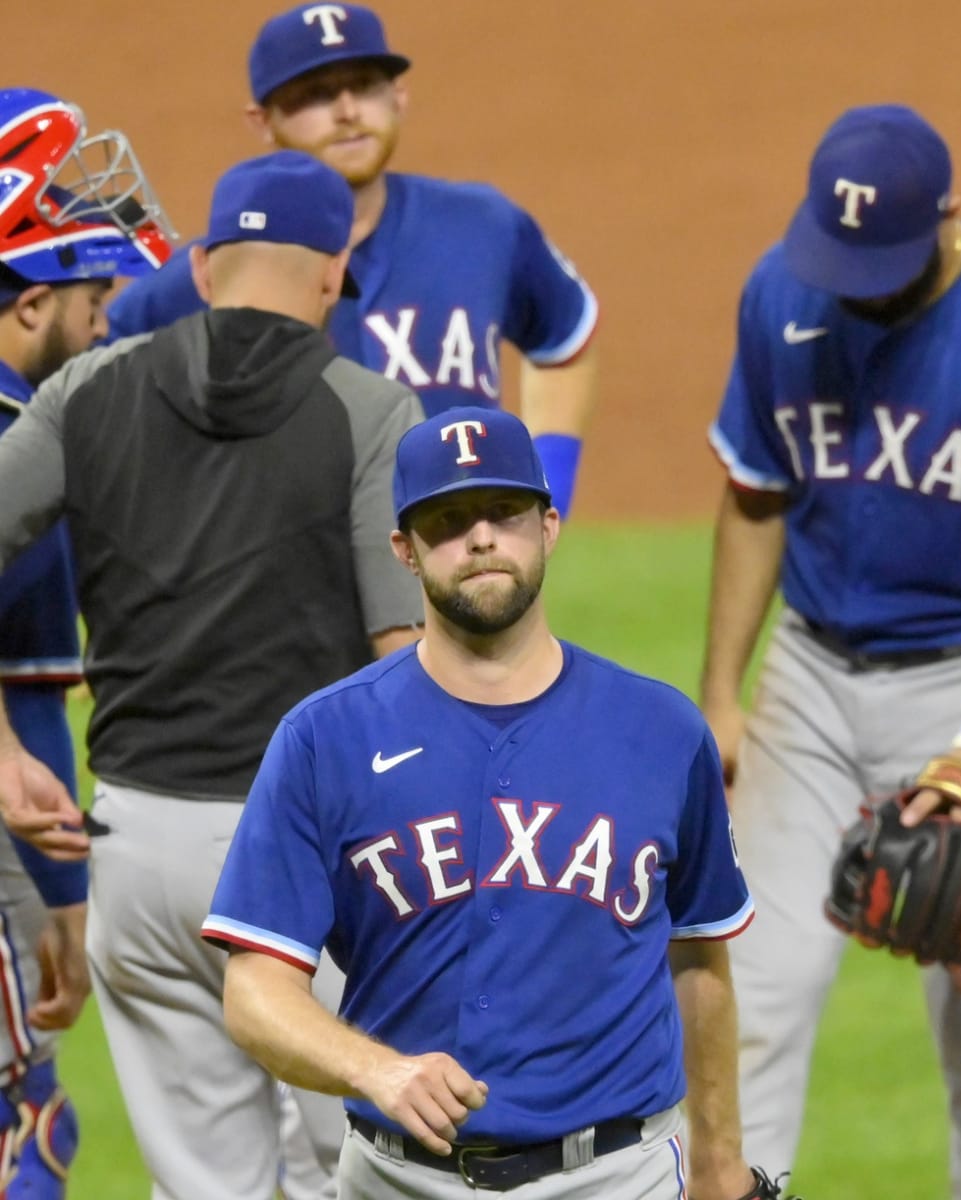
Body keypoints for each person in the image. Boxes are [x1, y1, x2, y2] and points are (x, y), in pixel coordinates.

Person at [700, 104, 961, 1200]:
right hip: (810, 677)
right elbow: (755, 495)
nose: (852, 281)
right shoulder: (782, 292)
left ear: (947, 217)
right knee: (755, 990)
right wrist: (721, 697)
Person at [199, 405, 768, 1200]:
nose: (481, 538)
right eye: (449, 519)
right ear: (404, 549)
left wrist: (720, 1167)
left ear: (549, 525)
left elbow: (701, 955)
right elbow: (255, 989)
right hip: (397, 1179)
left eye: (504, 512)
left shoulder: (663, 730)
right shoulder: (323, 740)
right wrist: (379, 1070)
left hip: (618, 1177)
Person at [0, 148, 426, 1200]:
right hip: (314, 862)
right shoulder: (370, 411)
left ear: (199, 269)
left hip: (138, 858)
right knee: (384, 1172)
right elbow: (406, 663)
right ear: (332, 273)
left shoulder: (84, 392)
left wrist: (1, 753)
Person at [107, 1, 599, 519]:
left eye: (364, 85)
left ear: (398, 95)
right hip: (292, 585)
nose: (347, 110)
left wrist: (549, 486)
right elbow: (86, 393)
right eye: (315, 94)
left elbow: (565, 338)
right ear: (263, 121)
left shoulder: (486, 226)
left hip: (456, 570)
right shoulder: (215, 272)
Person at [0, 86, 174, 1197]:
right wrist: (68, 908)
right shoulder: (25, 454)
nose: (109, 315)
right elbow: (26, 708)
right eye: (89, 292)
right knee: (24, 1135)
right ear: (22, 308)